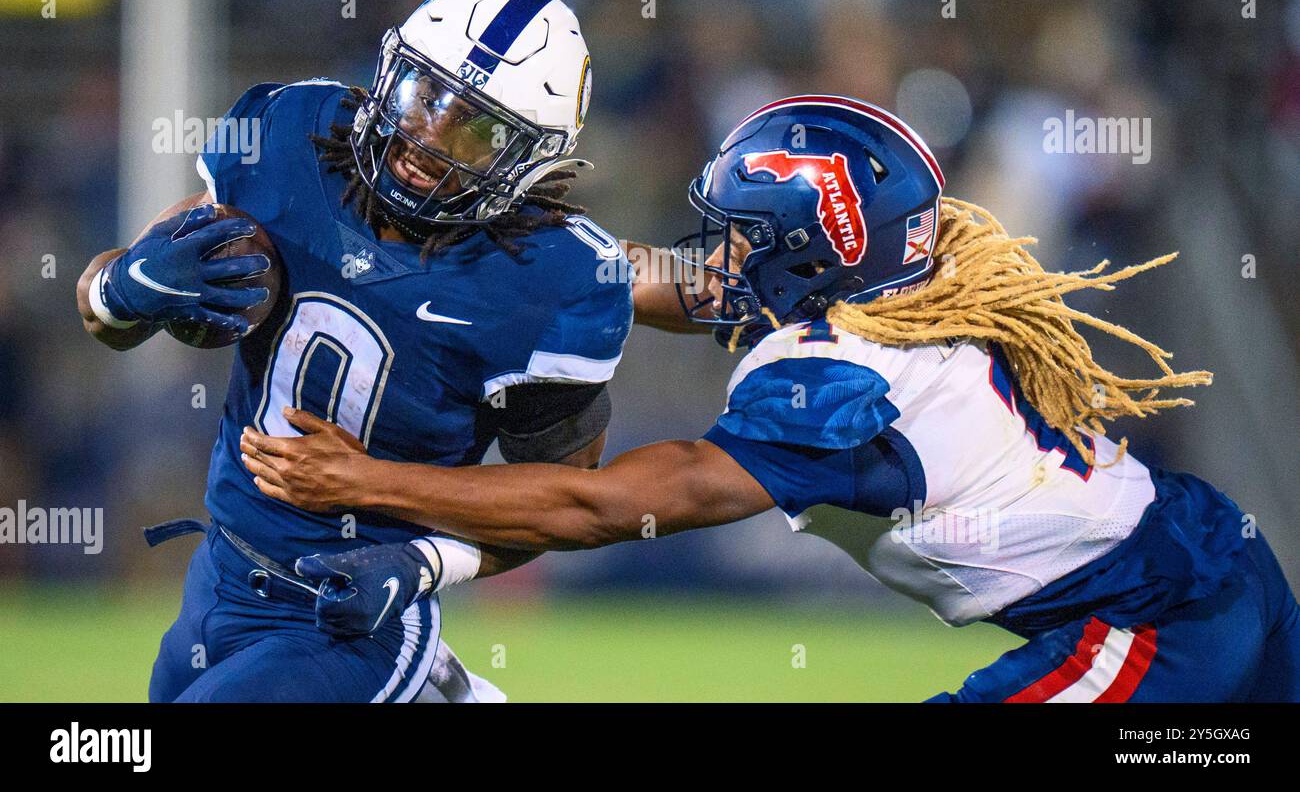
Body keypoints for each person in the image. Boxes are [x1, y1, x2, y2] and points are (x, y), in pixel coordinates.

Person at [244, 94, 1299, 702]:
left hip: (1154, 625)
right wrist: (498, 230)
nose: (722, 254)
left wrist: (371, 477)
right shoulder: (920, 284)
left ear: (813, 253)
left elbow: (607, 507)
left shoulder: (838, 372)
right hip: (1205, 555)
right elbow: (653, 277)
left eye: (747, 233)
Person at [77, 0, 633, 702]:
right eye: (422, 93)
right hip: (220, 577)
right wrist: (119, 289)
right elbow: (103, 309)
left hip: (351, 623)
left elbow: (560, 506)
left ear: (532, 159)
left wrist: (429, 560)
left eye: (476, 127)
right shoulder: (292, 135)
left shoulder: (549, 279)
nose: (428, 136)